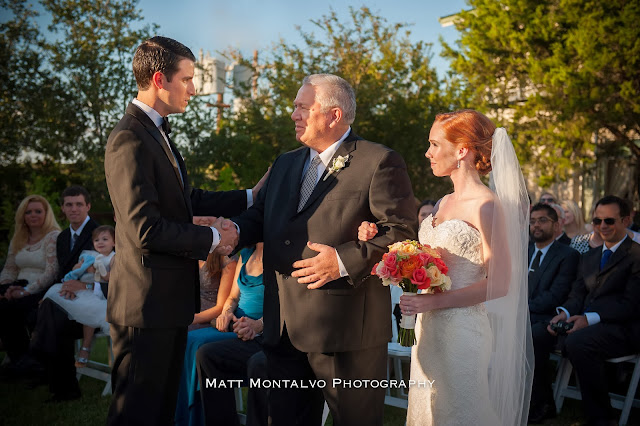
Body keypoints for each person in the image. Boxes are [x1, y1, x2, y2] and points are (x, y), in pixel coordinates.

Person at [233, 74, 417, 426]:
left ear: (334, 115)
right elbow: (261, 217)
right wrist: (232, 233)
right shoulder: (285, 163)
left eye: (303, 107)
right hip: (284, 327)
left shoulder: (379, 161)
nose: (294, 115)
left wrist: (342, 260)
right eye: (295, 107)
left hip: (346, 329)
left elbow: (401, 232)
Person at [104, 36, 257, 424]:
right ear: (160, 79)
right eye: (187, 79)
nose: (193, 89)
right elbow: (145, 229)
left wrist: (250, 196)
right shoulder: (129, 139)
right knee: (136, 414)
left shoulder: (156, 133)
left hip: (166, 306)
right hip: (144, 306)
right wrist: (215, 239)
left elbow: (187, 200)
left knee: (159, 414)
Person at [359, 109, 533, 425]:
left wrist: (432, 302)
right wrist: (379, 240)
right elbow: (429, 259)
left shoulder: (486, 206)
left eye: (435, 144)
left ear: (462, 150)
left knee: (460, 413)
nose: (428, 153)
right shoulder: (443, 202)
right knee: (426, 410)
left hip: (462, 331)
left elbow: (500, 283)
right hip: (427, 330)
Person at [542, 195, 640, 425]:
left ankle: (601, 418)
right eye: (597, 221)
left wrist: (588, 319)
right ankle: (541, 403)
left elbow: (631, 304)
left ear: (626, 221)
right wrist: (564, 314)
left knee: (578, 341)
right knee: (542, 331)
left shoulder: (637, 256)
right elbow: (577, 295)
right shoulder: (589, 256)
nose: (602, 226)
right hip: (591, 325)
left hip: (625, 328)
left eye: (609, 221)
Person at [29, 186, 99, 402]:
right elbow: (62, 275)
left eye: (79, 204)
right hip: (67, 297)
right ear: (62, 208)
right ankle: (56, 380)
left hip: (94, 301)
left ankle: (60, 382)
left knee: (52, 319)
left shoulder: (102, 234)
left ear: (88, 206)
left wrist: (83, 287)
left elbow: (114, 276)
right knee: (38, 309)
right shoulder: (62, 237)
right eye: (69, 204)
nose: (74, 209)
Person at [188, 243, 264, 426]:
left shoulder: (280, 256)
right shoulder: (246, 254)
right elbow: (233, 297)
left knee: (200, 346)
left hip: (260, 331)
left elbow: (283, 305)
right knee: (194, 344)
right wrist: (227, 312)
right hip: (234, 325)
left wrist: (258, 325)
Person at [527, 203, 579, 422]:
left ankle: (541, 403)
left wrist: (520, 310)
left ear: (557, 225)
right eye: (532, 221)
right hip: (523, 315)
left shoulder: (568, 255)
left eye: (542, 220)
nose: (536, 225)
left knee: (532, 336)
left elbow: (556, 295)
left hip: (548, 318)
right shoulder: (524, 251)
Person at [0, 195, 60, 369]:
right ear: (22, 216)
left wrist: (26, 291)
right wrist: (6, 288)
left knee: (8, 309)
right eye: (28, 212)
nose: (33, 215)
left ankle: (23, 361)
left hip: (41, 288)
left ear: (46, 214)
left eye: (38, 211)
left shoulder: (53, 236)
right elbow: (10, 268)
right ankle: (19, 358)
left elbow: (52, 272)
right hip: (18, 285)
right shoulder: (18, 238)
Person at [42, 225, 115, 367]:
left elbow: (111, 279)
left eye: (105, 239)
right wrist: (80, 267)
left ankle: (85, 348)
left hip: (101, 294)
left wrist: (96, 270)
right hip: (84, 290)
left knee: (89, 308)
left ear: (114, 242)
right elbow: (76, 269)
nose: (100, 242)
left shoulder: (114, 258)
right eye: (97, 240)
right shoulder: (91, 255)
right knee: (55, 291)